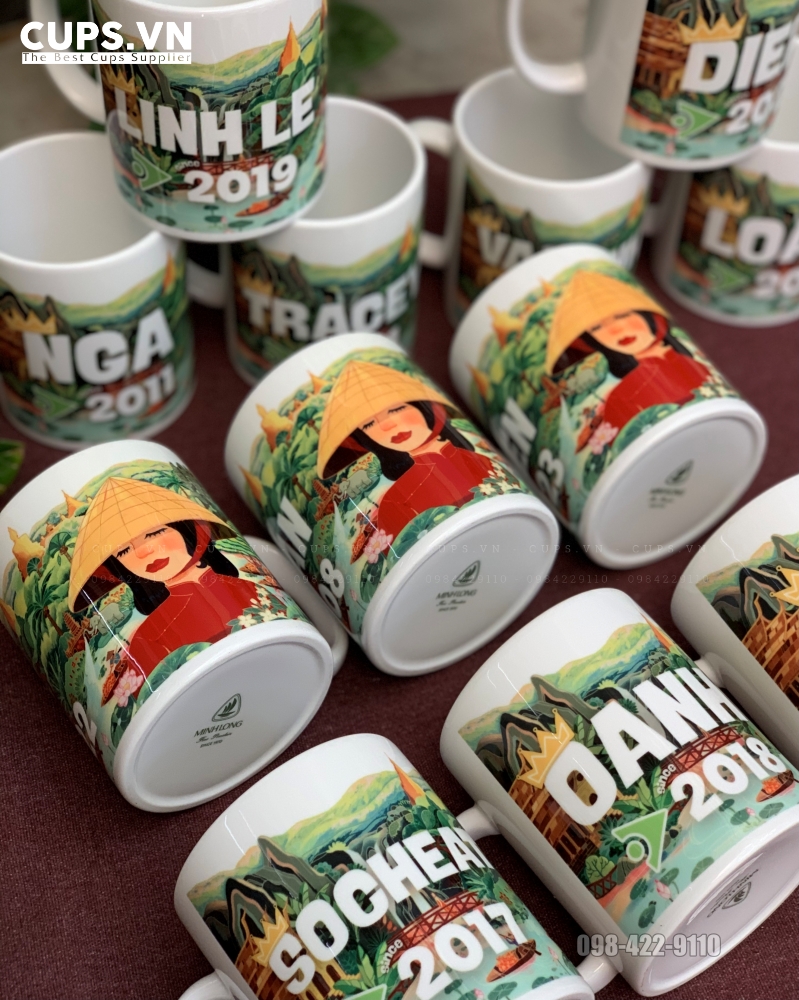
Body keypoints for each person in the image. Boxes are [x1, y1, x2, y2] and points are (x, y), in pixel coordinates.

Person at [68, 477, 259, 702]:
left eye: (153, 533)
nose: (143, 552)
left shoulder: (250, 589)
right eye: (123, 552)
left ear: (189, 529)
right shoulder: (147, 638)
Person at [316, 360, 494, 541]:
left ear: (424, 408)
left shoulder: (483, 462)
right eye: (369, 424)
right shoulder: (393, 504)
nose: (387, 426)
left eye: (396, 409)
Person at [545, 269, 710, 444]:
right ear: (593, 342)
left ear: (648, 317)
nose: (616, 330)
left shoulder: (695, 360)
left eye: (622, 315)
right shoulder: (618, 399)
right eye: (596, 328)